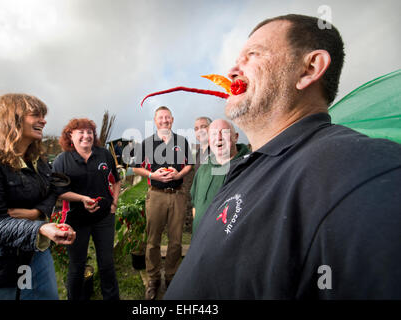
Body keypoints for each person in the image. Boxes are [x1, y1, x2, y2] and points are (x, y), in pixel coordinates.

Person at [165, 14, 401, 299]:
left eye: (252, 55)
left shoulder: (361, 169)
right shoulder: (248, 164)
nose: (231, 70)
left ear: (309, 69)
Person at [0, 93, 76, 300]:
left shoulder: (38, 161)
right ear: (11, 118)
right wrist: (40, 227)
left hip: (32, 255)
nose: (43, 120)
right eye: (35, 114)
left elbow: (52, 188)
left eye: (43, 115)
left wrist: (35, 213)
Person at [52, 118, 121, 300]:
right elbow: (59, 191)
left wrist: (113, 204)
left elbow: (117, 180)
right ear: (70, 135)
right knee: (77, 265)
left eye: (89, 132)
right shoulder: (62, 160)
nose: (86, 136)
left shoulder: (104, 155)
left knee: (106, 263)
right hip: (76, 220)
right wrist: (82, 199)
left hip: (104, 218)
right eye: (80, 132)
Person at [132, 106, 193, 300]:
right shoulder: (147, 143)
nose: (165, 120)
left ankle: (171, 276)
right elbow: (135, 168)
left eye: (167, 117)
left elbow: (189, 164)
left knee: (175, 240)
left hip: (177, 194)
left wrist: (179, 173)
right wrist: (152, 174)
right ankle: (153, 279)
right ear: (155, 120)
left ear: (172, 120)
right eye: (161, 118)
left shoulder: (181, 141)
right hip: (156, 194)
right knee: (153, 241)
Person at [190, 119, 249, 235]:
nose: (219, 137)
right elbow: (195, 206)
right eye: (214, 134)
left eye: (224, 132)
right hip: (201, 243)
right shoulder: (203, 169)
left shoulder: (250, 167)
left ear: (235, 137)